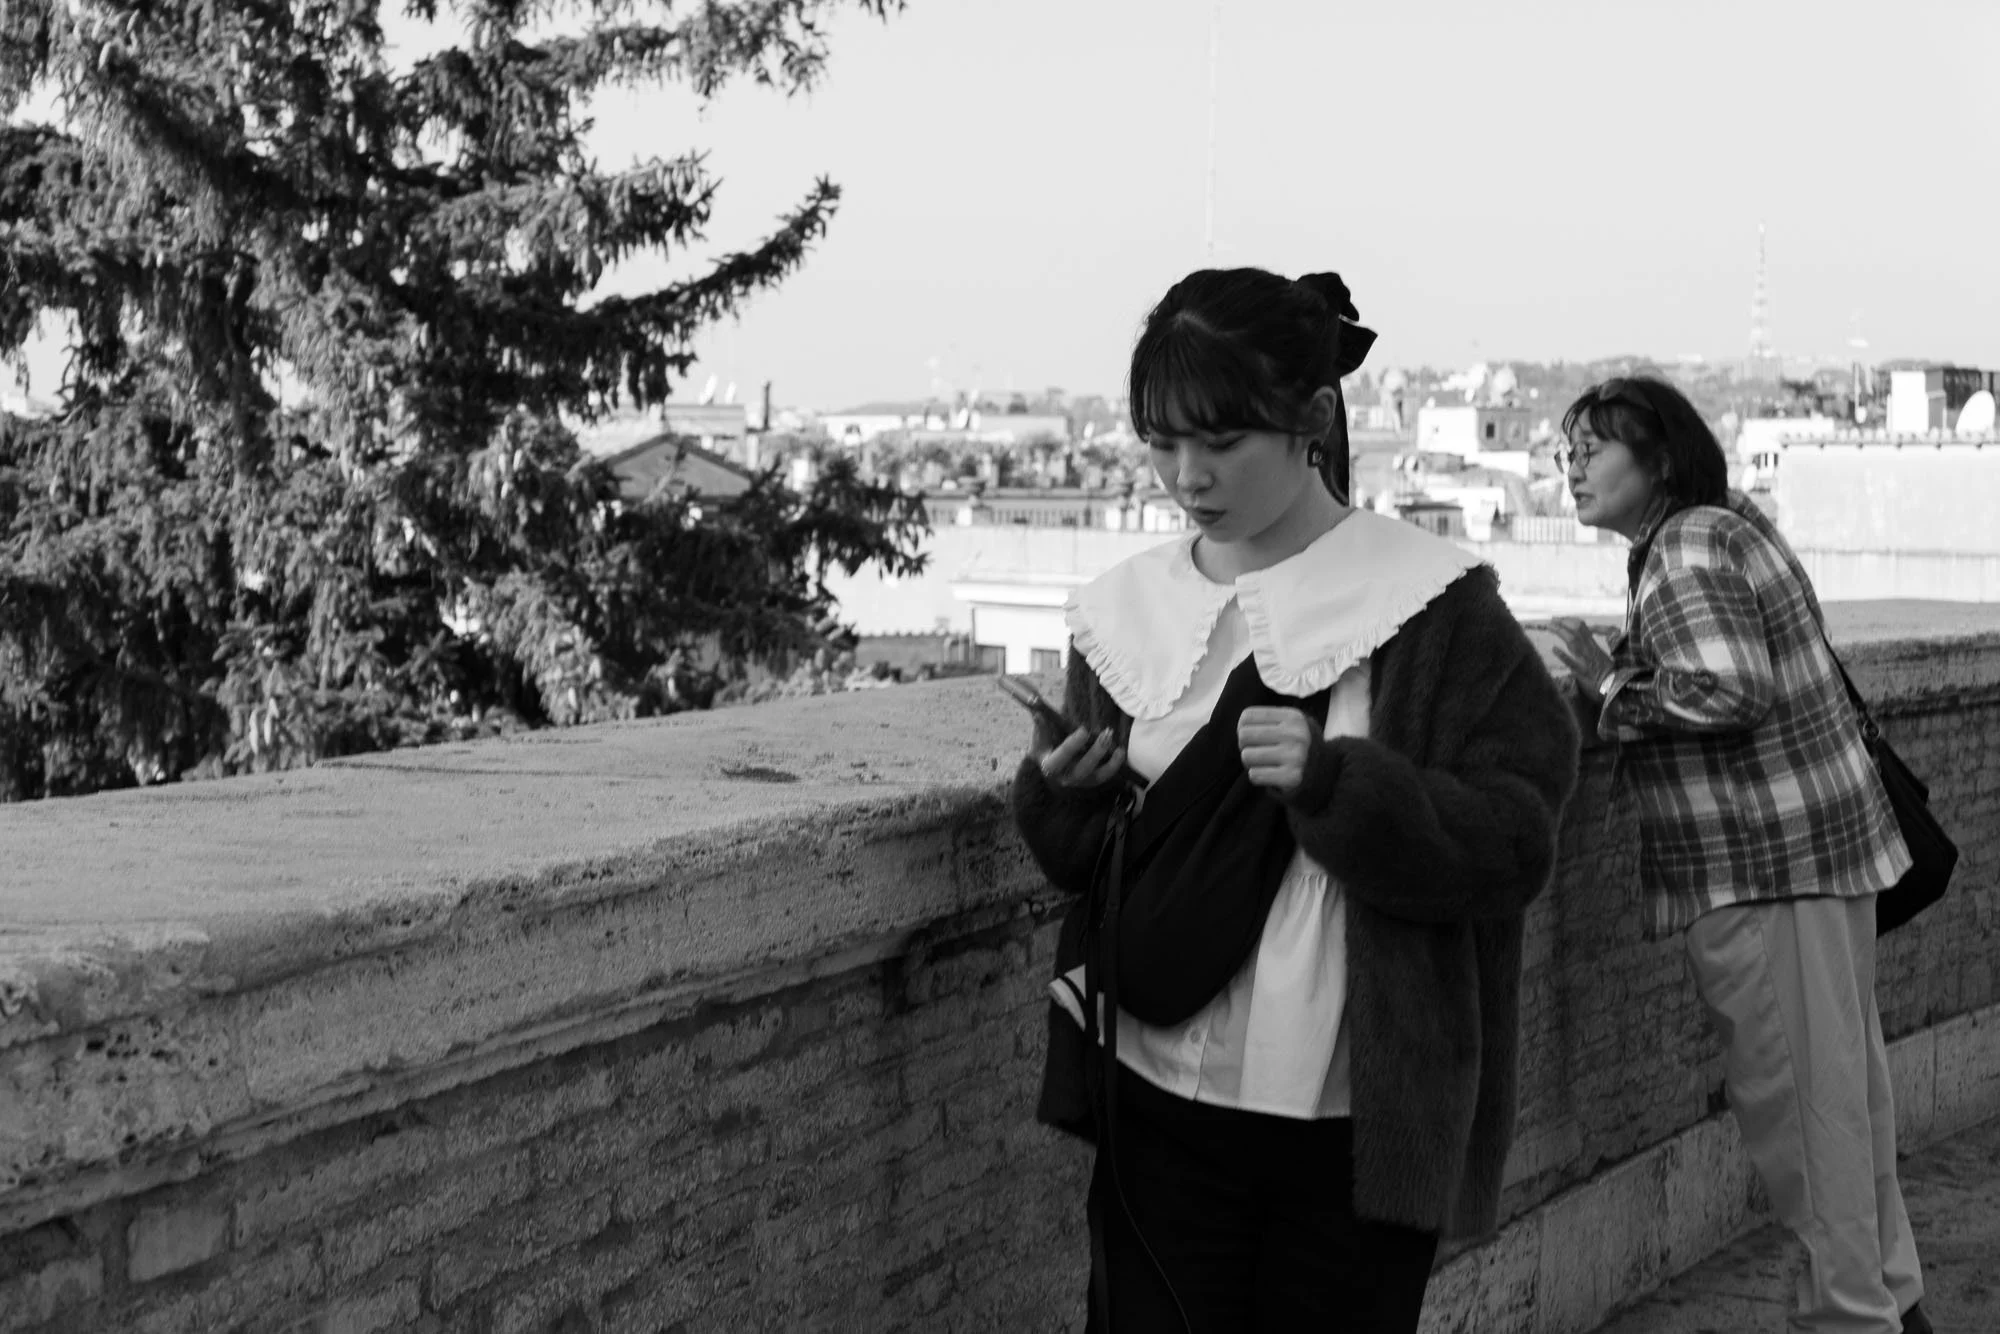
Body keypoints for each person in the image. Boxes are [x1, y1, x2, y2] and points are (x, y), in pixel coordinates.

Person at [1008, 267, 1579, 1333]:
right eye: (1163, 442)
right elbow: (1106, 859)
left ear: (1310, 418)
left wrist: (1336, 786)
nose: (1188, 475)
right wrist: (1058, 806)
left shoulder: (1434, 607)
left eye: (1221, 442)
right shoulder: (1123, 612)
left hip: (1348, 1122)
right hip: (1152, 1098)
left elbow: (1514, 840)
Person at [1547, 376, 1930, 1334]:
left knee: (1804, 1119)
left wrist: (1613, 686)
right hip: (1818, 853)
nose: (1574, 468)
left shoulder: (1682, 549)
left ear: (1662, 459)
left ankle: (1852, 1317)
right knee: (1849, 1106)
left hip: (1761, 869)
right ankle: (1893, 1299)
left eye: (1596, 448)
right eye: (1567, 452)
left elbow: (1728, 689)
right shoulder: (1727, 525)